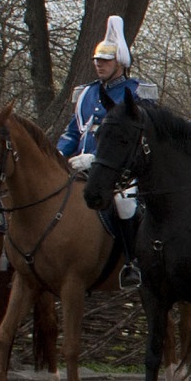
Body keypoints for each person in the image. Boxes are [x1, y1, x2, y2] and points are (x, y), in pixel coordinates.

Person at [58, 15, 158, 289]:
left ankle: (131, 263)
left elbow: (142, 135)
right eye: (97, 60)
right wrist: (58, 155)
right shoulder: (86, 93)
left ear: (120, 63)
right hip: (80, 165)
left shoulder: (137, 92)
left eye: (105, 61)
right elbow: (73, 131)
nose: (99, 65)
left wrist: (96, 158)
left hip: (120, 170)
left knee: (125, 203)